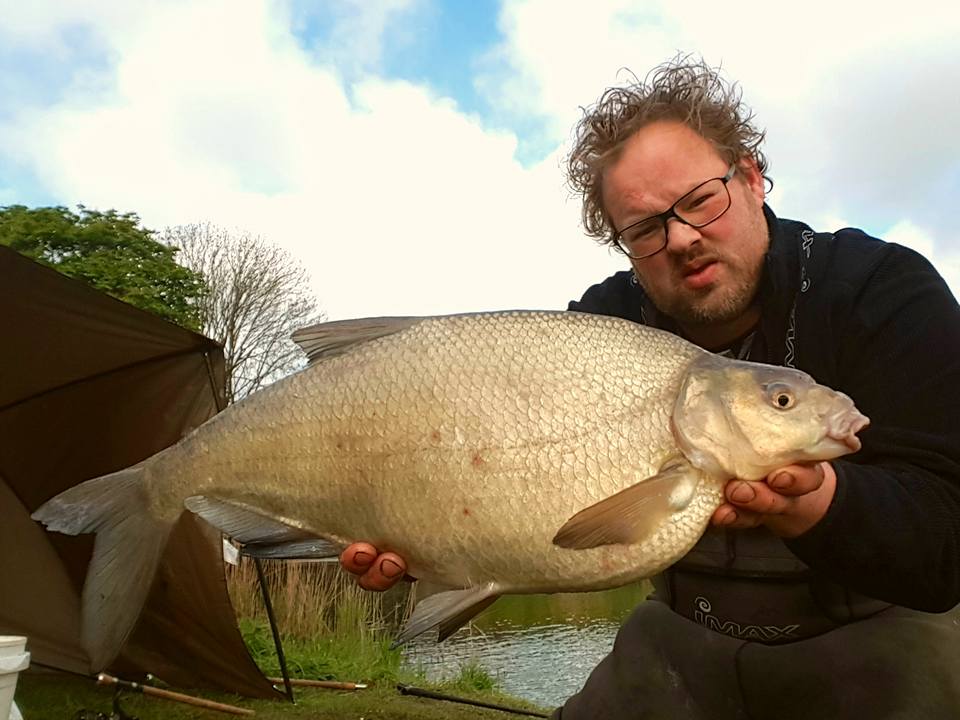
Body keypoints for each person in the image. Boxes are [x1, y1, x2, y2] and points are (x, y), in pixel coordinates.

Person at [340, 57, 960, 717]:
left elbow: (946, 541)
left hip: (883, 635)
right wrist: (429, 530)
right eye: (644, 229)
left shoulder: (878, 289)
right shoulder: (603, 326)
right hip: (681, 638)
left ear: (750, 178)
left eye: (700, 201)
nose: (683, 238)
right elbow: (518, 485)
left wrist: (819, 503)